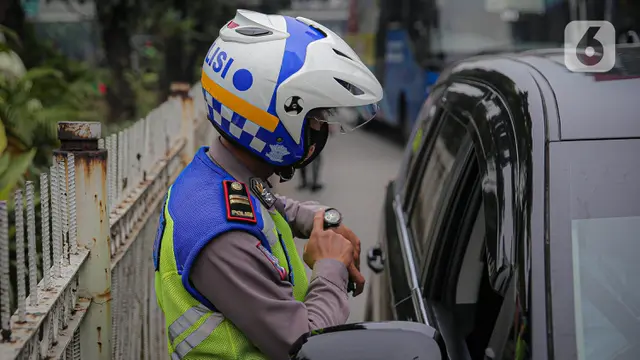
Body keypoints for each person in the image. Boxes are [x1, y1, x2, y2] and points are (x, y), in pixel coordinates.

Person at [152, 9, 382, 360]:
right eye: (317, 118)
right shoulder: (224, 237)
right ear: (277, 120)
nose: (323, 130)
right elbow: (304, 346)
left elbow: (266, 202)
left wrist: (319, 218)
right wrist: (330, 267)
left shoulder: (214, 175)